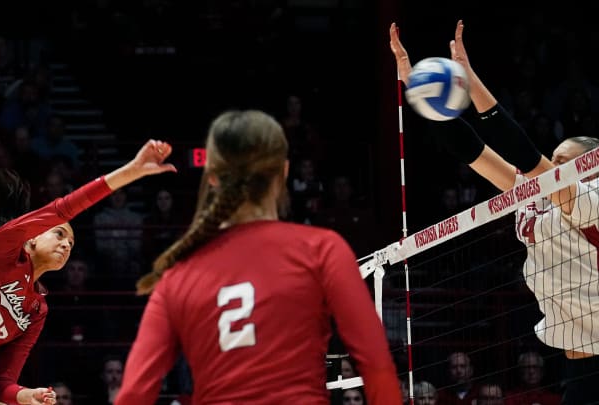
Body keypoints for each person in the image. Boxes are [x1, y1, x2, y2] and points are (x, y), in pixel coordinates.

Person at [114, 110, 402, 404]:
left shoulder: (176, 278)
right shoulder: (322, 249)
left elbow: (134, 394)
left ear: (212, 177)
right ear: (284, 171)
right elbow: (376, 365)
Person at [390, 20, 599, 404]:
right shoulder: (538, 193)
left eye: (563, 163)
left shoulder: (591, 199)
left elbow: (518, 147)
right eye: (553, 160)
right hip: (578, 367)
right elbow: (473, 152)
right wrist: (417, 89)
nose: (552, 167)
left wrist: (469, 79)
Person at [0, 139, 176, 405]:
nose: (66, 243)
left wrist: (26, 395)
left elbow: (2, 384)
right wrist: (131, 171)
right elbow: (65, 206)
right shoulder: (2, 249)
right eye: (59, 234)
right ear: (31, 239)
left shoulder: (37, 309)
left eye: (71, 243)